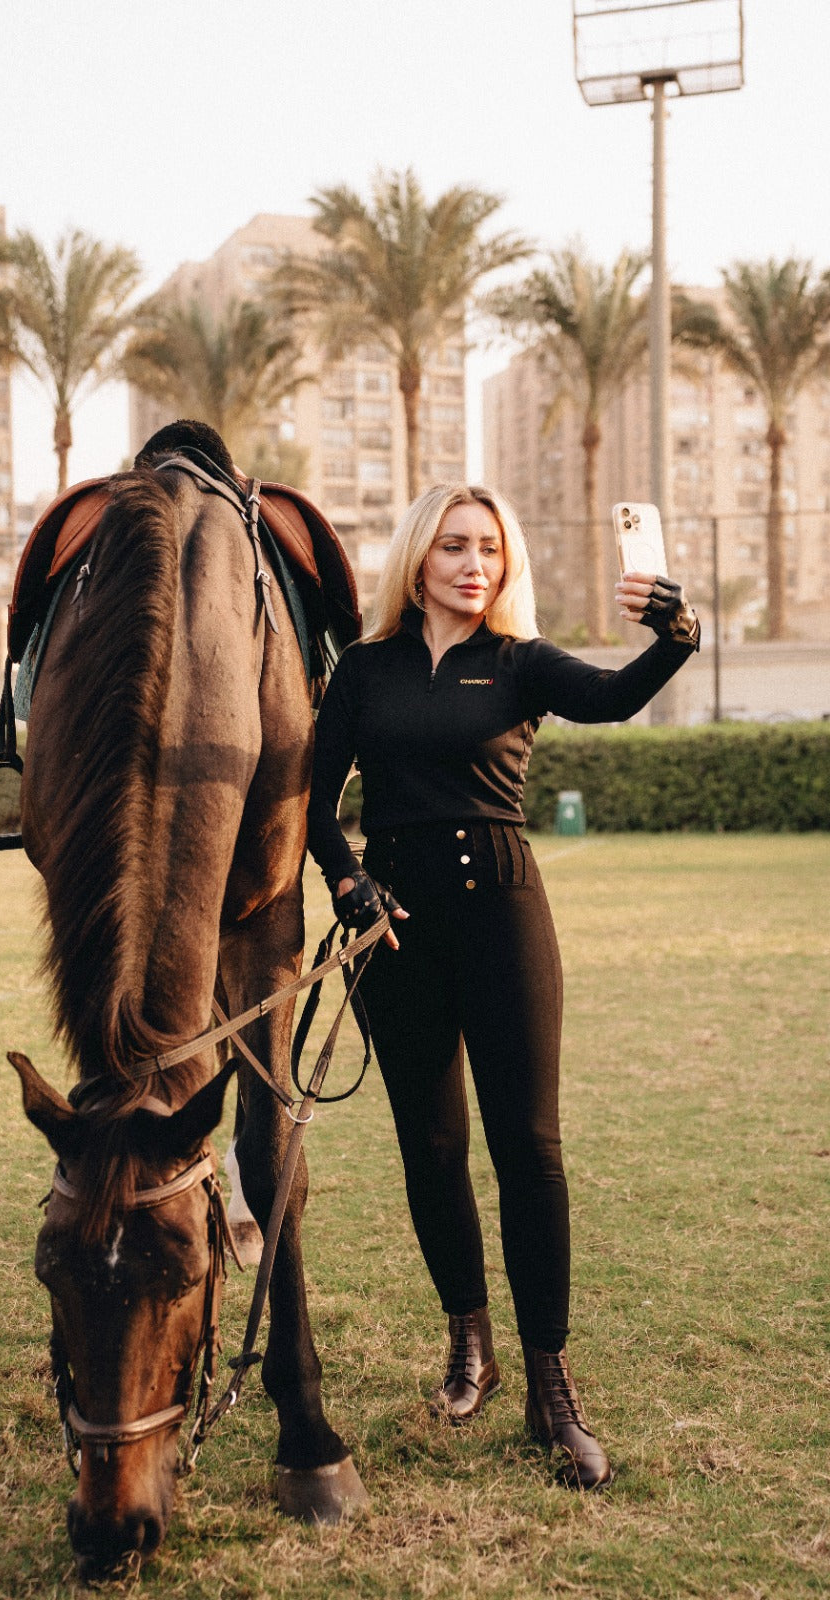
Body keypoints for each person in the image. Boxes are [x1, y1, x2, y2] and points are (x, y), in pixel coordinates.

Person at [306, 483, 700, 1492]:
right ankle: (468, 1345)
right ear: (417, 560)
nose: (474, 565)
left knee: (529, 1147)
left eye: (489, 548)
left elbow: (614, 696)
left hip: (503, 916)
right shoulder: (364, 669)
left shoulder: (519, 662)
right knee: (432, 1146)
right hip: (394, 931)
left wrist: (676, 633)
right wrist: (347, 882)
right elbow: (315, 801)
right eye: (454, 546)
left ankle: (551, 1386)